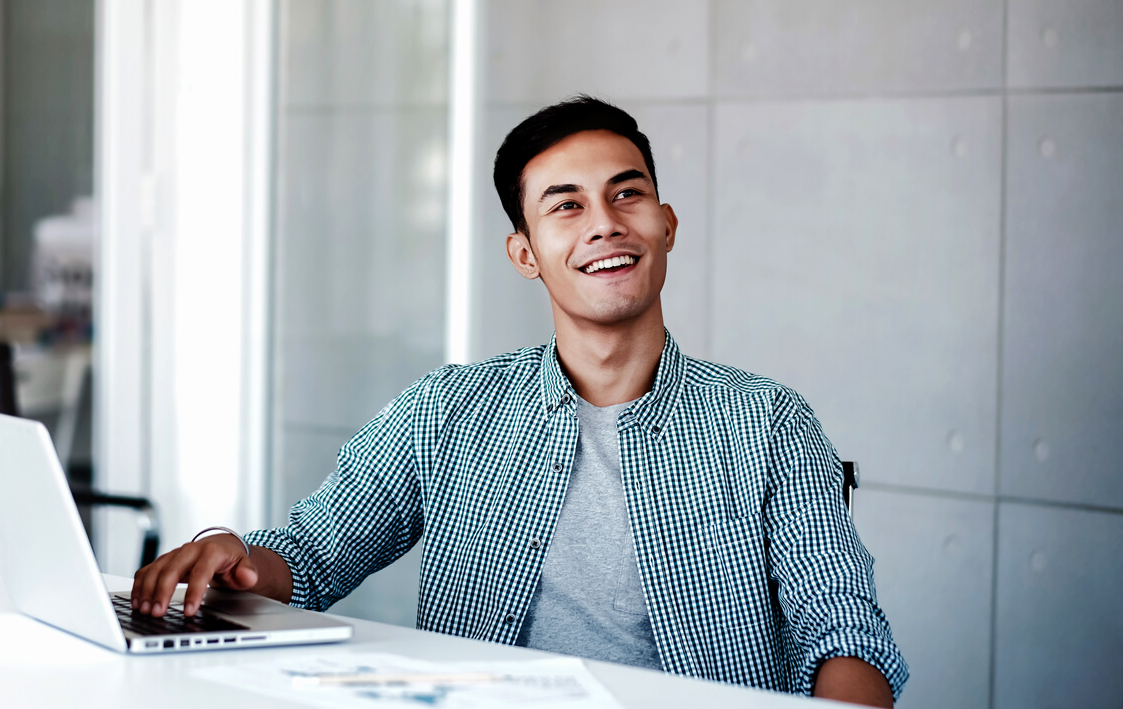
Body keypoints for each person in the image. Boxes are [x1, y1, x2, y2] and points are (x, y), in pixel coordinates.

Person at [132, 96, 908, 706]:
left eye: (626, 194)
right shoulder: (447, 412)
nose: (605, 223)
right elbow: (307, 560)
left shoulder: (764, 421)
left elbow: (845, 635)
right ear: (525, 253)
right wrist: (232, 555)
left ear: (666, 225)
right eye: (566, 205)